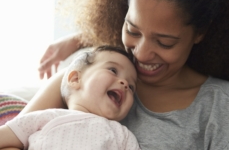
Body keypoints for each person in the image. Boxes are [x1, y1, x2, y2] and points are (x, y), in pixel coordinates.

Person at [19, 0, 229, 149]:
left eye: (164, 42)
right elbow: (11, 138)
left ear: (199, 33)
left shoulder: (223, 110)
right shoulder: (90, 71)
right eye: (132, 30)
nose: (141, 54)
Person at [0, 46, 140, 150]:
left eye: (132, 87)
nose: (125, 83)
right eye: (113, 70)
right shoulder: (46, 117)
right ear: (75, 78)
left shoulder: (123, 136)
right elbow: (5, 136)